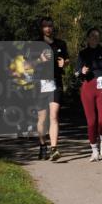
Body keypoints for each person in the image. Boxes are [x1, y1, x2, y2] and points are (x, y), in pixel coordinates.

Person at [75, 27, 102, 161]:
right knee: (91, 121)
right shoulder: (82, 54)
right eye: (92, 36)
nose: (94, 38)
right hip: (87, 86)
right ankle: (94, 150)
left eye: (97, 36)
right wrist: (82, 71)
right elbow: (76, 73)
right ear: (88, 38)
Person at [35, 17, 69, 162]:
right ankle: (43, 145)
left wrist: (65, 62)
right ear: (41, 28)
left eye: (50, 26)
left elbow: (66, 60)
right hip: (40, 83)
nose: (48, 28)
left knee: (54, 116)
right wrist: (39, 60)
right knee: (42, 119)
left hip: (55, 82)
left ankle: (54, 149)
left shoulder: (61, 44)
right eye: (45, 26)